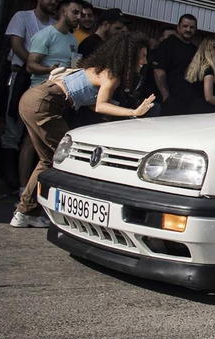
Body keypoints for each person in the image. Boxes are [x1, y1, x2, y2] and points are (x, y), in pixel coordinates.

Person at [10, 33, 157, 227]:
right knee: (68, 156)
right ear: (130, 56)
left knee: (48, 159)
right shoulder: (112, 76)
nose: (145, 62)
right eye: (143, 56)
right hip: (45, 103)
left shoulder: (100, 69)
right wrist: (134, 112)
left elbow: (88, 99)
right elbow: (100, 106)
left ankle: (25, 212)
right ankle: (69, 212)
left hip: (34, 98)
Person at [0, 0, 59, 186]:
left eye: (56, 0)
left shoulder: (53, 25)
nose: (53, 2)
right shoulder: (22, 17)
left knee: (32, 130)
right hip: (20, 75)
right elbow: (17, 45)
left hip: (43, 80)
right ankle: (7, 174)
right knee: (13, 124)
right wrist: (32, 65)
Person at [25, 0, 87, 88]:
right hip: (41, 88)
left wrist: (78, 66)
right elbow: (30, 66)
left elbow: (72, 65)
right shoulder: (45, 35)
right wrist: (50, 70)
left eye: (80, 14)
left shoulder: (73, 39)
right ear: (63, 12)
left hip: (62, 89)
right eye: (75, 12)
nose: (79, 17)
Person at [151, 13, 200, 115]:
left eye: (192, 27)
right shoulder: (168, 44)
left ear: (195, 30)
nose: (188, 29)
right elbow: (158, 70)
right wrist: (166, 97)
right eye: (185, 26)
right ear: (178, 27)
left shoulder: (195, 50)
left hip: (188, 103)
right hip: (170, 101)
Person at [187, 35, 215, 112]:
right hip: (206, 110)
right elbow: (209, 97)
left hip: (194, 107)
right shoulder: (209, 70)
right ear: (211, 50)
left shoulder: (198, 67)